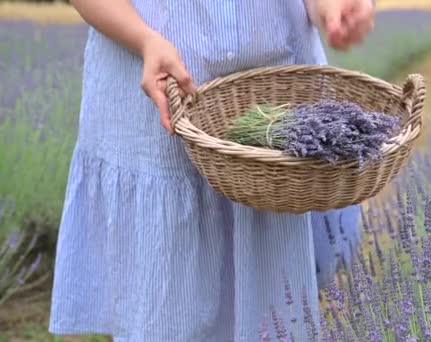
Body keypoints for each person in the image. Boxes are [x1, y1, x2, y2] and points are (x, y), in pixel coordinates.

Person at [48, 0, 375, 341]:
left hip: (276, 89)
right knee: (169, 312)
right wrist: (144, 39)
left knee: (275, 313)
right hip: (157, 87)